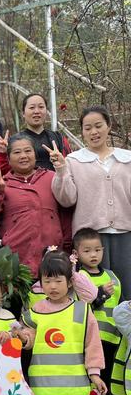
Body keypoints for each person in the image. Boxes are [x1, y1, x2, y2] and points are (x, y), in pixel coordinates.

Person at [22, 250, 106, 395]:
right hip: (43, 383)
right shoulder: (35, 311)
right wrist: (21, 337)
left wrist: (95, 373)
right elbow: (29, 339)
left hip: (73, 383)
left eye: (58, 280)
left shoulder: (82, 310)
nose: (52, 286)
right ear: (41, 283)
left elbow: (93, 344)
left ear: (70, 282)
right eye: (47, 280)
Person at [51, 105, 131, 300]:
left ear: (109, 126)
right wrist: (61, 170)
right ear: (82, 132)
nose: (94, 132)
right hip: (90, 240)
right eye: (88, 128)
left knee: (126, 291)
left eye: (98, 126)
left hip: (125, 235)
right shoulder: (73, 160)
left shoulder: (126, 158)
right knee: (94, 294)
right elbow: (66, 199)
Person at [73, 228, 127, 395]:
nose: (93, 255)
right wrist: (101, 293)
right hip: (90, 337)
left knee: (107, 370)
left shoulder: (112, 276)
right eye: (87, 251)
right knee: (91, 371)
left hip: (112, 334)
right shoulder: (79, 277)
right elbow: (81, 305)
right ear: (76, 253)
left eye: (97, 250)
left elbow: (120, 304)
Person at [0, 133, 64, 277]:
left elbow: (65, 211)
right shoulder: (3, 183)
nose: (23, 156)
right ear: (9, 159)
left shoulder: (51, 177)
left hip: (51, 256)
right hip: (17, 260)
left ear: (35, 155)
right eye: (17, 152)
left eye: (28, 151)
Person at [0, 93, 71, 173]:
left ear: (46, 111)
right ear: (23, 113)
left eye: (41, 107)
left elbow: (69, 168)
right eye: (32, 108)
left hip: (56, 183)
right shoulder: (15, 141)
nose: (36, 111)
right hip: (24, 184)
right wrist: (3, 154)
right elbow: (3, 172)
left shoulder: (58, 138)